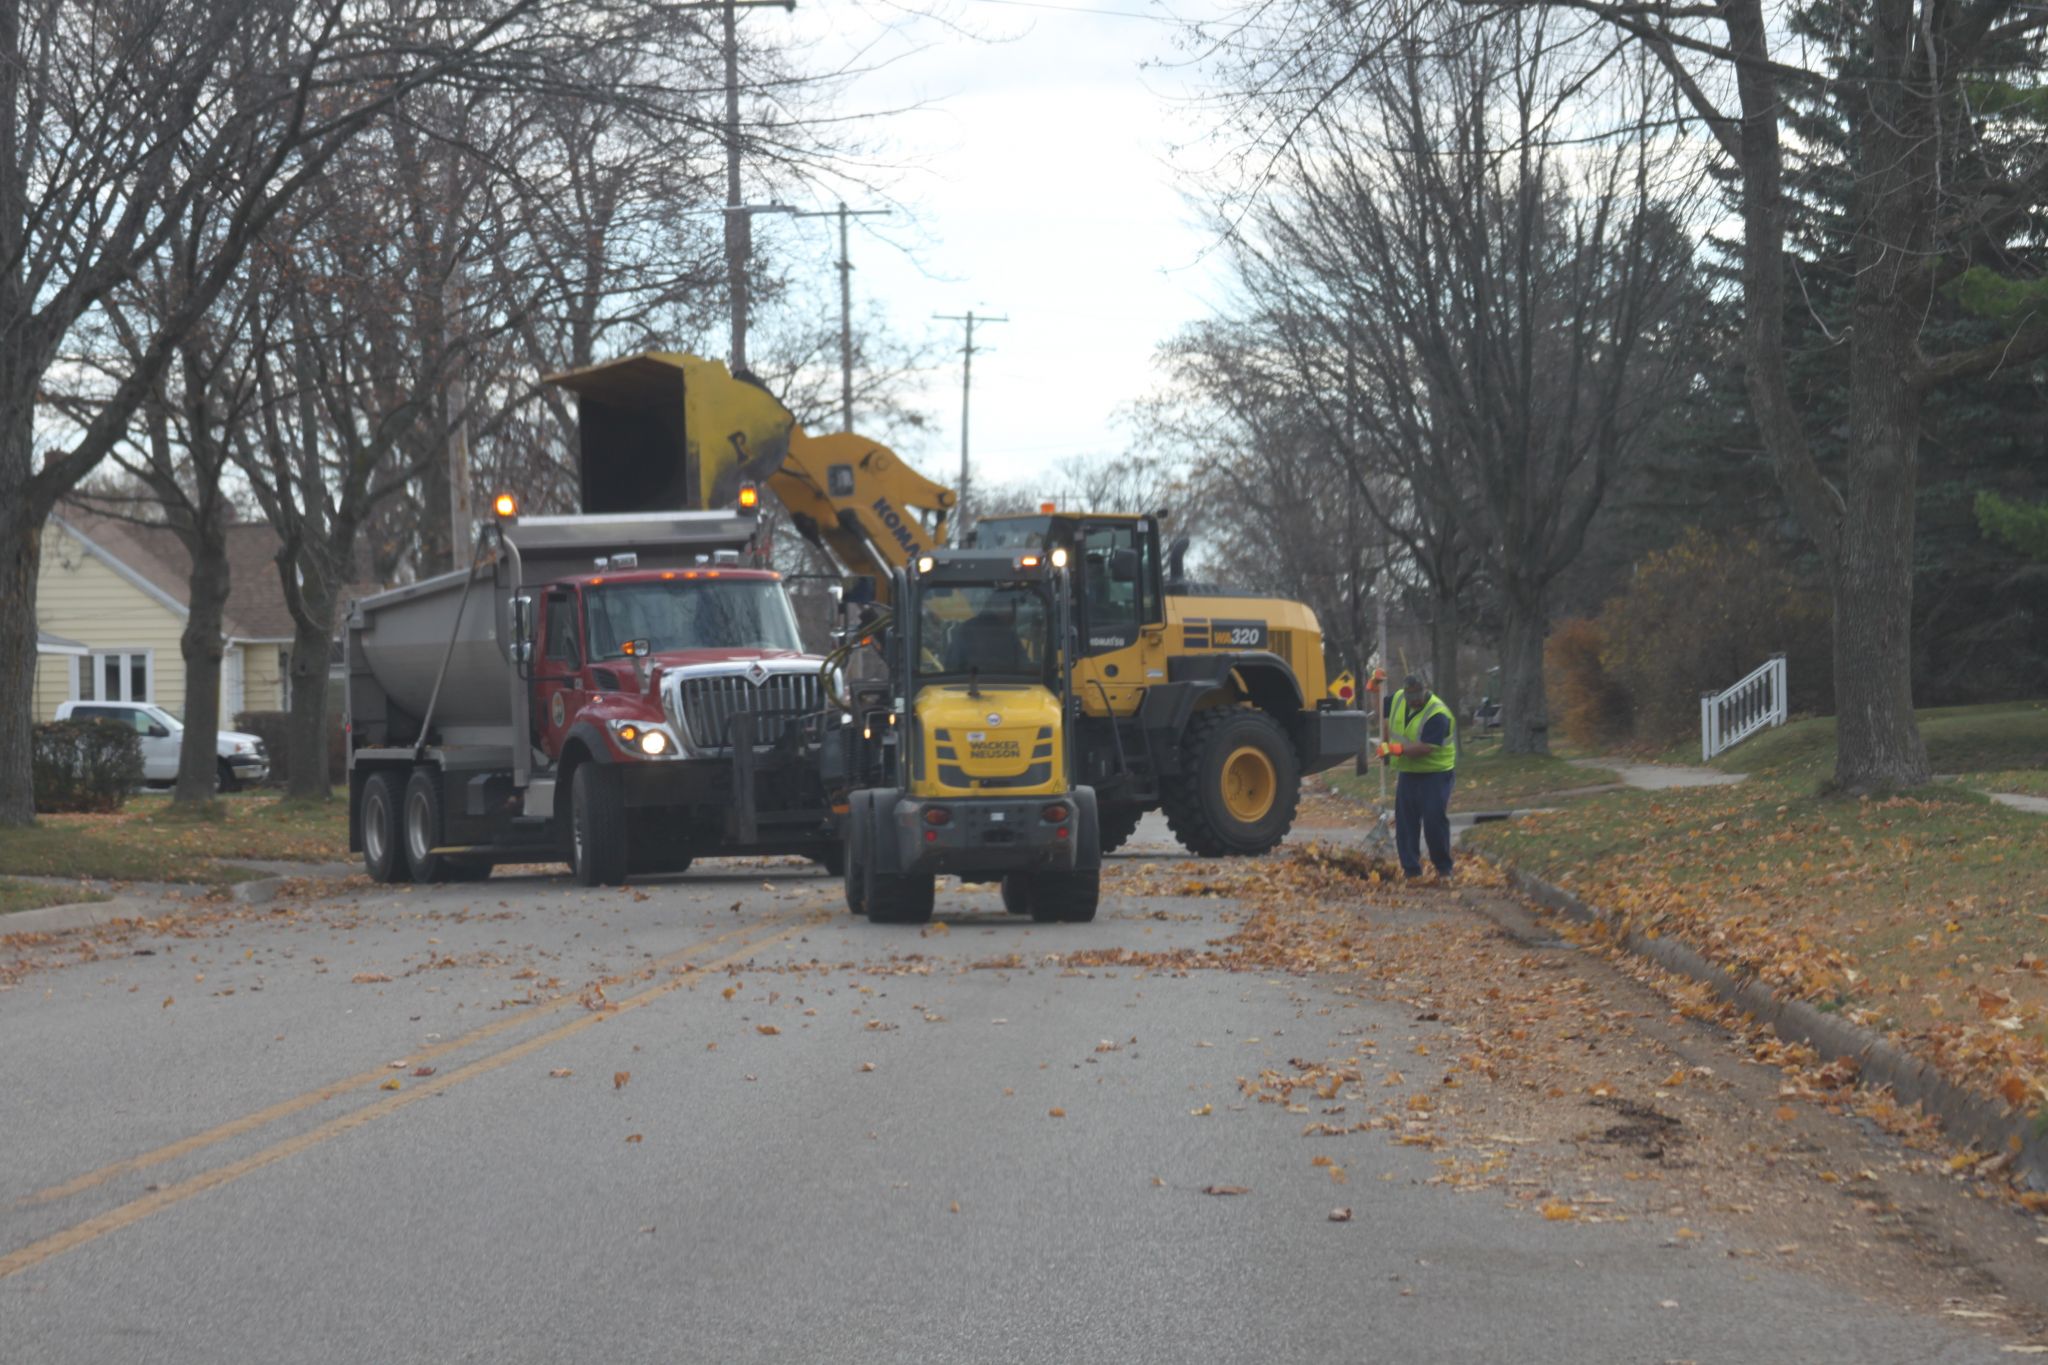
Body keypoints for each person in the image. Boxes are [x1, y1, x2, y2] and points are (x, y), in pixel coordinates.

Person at [1370, 670, 1457, 885]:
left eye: (1417, 697)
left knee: (1433, 820)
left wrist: (1394, 749)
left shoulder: (1437, 714)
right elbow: (1381, 707)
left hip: (1436, 773)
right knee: (1406, 823)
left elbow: (1425, 748)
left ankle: (1444, 869)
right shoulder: (1399, 698)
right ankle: (1412, 872)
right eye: (1410, 697)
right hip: (1409, 774)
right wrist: (1373, 687)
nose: (1413, 702)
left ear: (1425, 691)